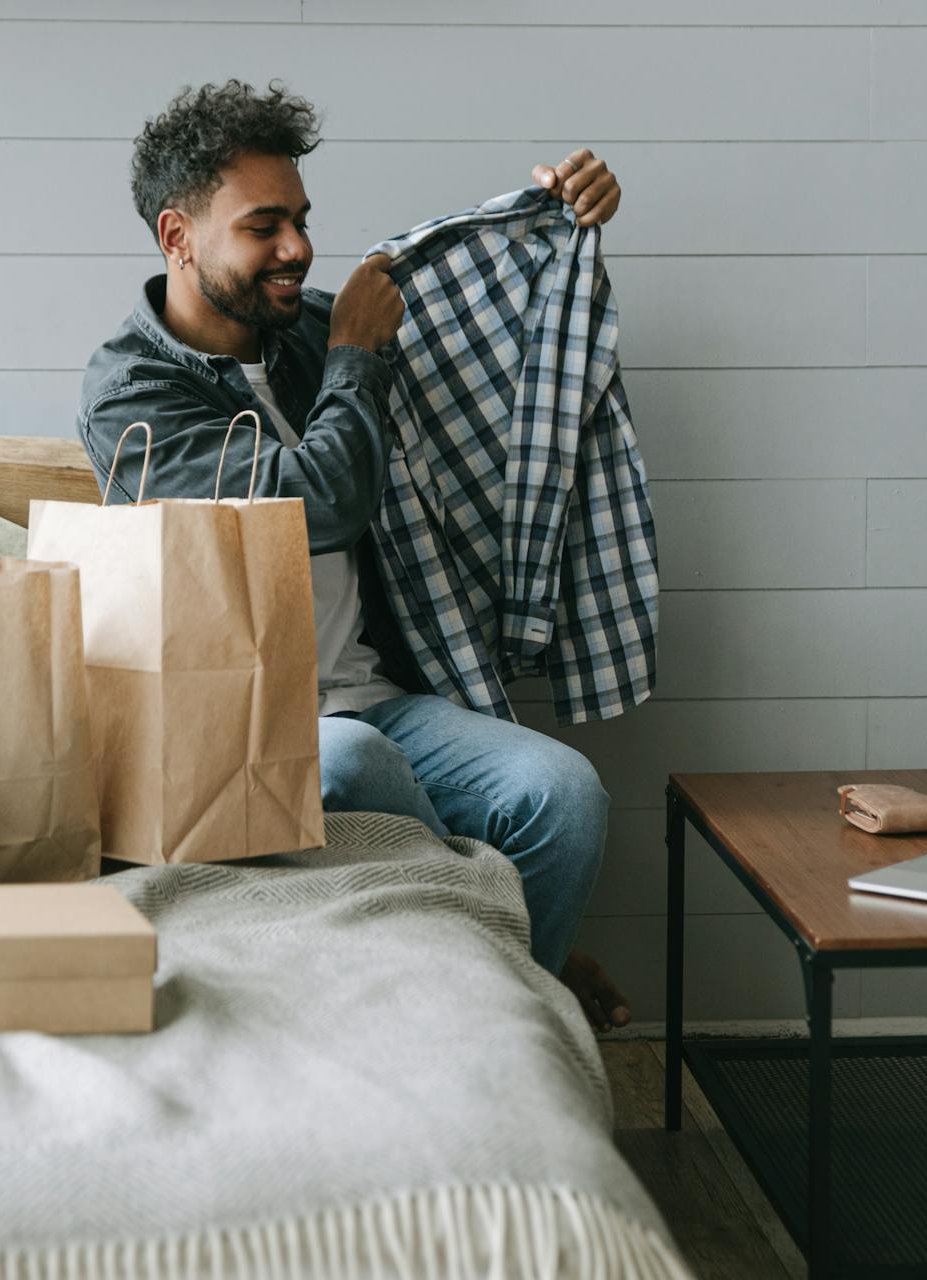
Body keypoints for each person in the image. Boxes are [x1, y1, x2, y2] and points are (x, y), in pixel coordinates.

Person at [77, 79, 632, 1031]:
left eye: (300, 219)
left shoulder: (306, 331)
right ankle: (498, 955)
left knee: (561, 792)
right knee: (346, 761)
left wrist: (553, 216)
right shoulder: (132, 395)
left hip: (379, 700)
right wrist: (356, 362)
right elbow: (316, 505)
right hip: (249, 725)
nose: (297, 248)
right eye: (264, 227)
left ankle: (498, 1018)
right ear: (178, 237)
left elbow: (467, 312)